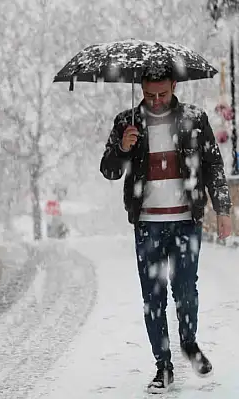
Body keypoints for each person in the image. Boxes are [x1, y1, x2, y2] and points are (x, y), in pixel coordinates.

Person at [99, 64, 232, 393]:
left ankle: (189, 342)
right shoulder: (126, 123)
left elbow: (213, 163)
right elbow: (109, 170)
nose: (156, 101)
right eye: (149, 95)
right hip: (147, 224)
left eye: (162, 93)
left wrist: (223, 208)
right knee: (153, 297)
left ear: (174, 85)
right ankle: (164, 367)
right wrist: (123, 148)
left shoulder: (194, 119)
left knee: (186, 291)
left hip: (186, 221)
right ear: (140, 88)